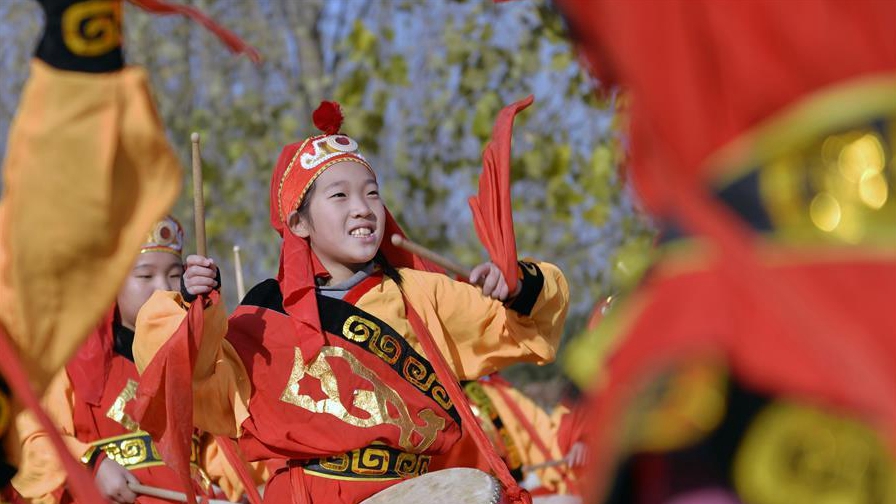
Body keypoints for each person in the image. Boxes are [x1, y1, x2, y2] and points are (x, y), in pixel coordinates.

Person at [132, 101, 570, 503]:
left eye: (372, 192)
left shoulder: (419, 294)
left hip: (411, 489)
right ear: (299, 223)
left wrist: (515, 287)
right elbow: (193, 380)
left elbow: (519, 329)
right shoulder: (263, 316)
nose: (362, 207)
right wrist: (196, 305)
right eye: (340, 195)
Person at [9, 217, 221, 504]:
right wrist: (90, 464)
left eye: (174, 276)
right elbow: (29, 437)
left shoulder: (194, 366)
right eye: (145, 276)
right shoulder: (68, 362)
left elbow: (221, 451)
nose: (162, 288)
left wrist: (227, 488)